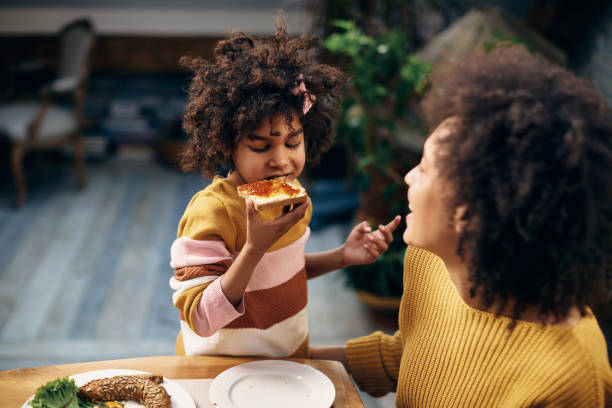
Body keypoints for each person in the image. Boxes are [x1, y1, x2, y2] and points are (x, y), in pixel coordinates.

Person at [311, 45, 612, 407]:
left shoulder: (571, 382)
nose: (407, 177)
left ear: (469, 213)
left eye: (423, 168)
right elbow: (412, 355)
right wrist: (293, 360)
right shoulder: (432, 261)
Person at [169, 20, 401, 358]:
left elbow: (282, 274)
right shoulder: (213, 211)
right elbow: (202, 317)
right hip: (220, 372)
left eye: (293, 143)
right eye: (262, 147)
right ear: (225, 147)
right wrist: (253, 248)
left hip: (284, 359)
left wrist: (342, 256)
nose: (281, 161)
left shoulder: (295, 198)